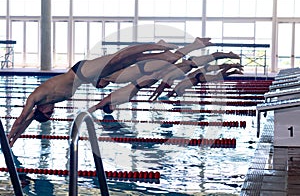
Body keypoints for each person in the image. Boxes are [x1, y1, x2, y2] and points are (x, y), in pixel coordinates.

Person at [7, 40, 181, 146]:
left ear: (41, 108)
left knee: (119, 58)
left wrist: (7, 136)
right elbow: (26, 123)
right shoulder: (44, 104)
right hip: (87, 76)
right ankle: (162, 55)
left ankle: (159, 46)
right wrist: (13, 141)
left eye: (49, 112)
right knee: (125, 63)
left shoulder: (36, 97)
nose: (52, 111)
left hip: (81, 71)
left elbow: (22, 118)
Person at [88, 61, 243, 114]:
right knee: (217, 75)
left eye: (112, 108)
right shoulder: (118, 99)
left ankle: (232, 67)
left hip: (140, 83)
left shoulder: (110, 98)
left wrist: (88, 112)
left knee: (163, 73)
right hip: (142, 83)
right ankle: (233, 68)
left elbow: (98, 105)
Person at [149, 52, 240, 100]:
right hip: (196, 72)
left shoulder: (168, 78)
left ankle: (230, 59)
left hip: (193, 67)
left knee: (214, 58)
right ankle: (232, 67)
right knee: (217, 72)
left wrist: (155, 96)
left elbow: (160, 88)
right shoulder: (176, 83)